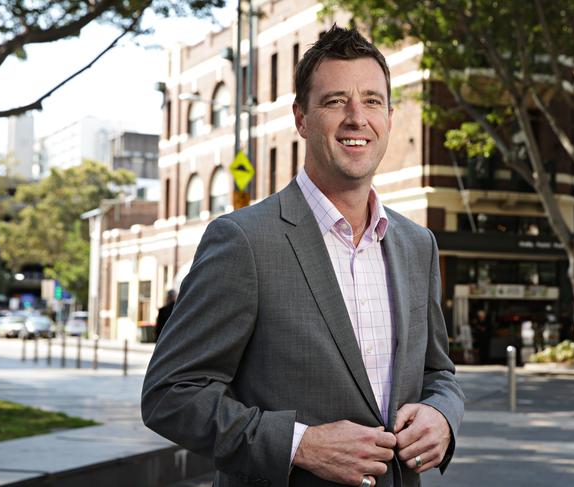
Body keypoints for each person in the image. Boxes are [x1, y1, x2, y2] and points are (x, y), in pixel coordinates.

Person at [142, 25, 464, 487]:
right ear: (301, 118)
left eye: (372, 101)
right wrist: (300, 444)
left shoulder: (418, 245)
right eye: (336, 101)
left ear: (390, 116)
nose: (357, 117)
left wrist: (442, 415)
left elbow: (439, 372)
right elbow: (170, 394)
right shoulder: (242, 241)